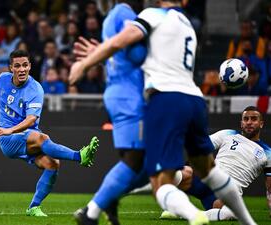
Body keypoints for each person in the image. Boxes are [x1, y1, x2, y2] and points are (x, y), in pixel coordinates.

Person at [69, 1, 257, 224]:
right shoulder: (187, 25)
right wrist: (107, 56)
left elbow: (122, 40)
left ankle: (194, 216)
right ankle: (249, 222)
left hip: (167, 99)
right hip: (195, 99)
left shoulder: (153, 15)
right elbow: (152, 57)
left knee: (160, 180)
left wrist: (85, 64)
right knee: (210, 172)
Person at [0, 49, 99, 217]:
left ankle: (33, 207)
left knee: (53, 164)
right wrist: (8, 129)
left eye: (25, 65)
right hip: (7, 138)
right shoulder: (2, 79)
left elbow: (31, 119)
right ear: (11, 68)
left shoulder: (35, 89)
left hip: (24, 134)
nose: (21, 69)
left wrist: (11, 128)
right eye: (17, 66)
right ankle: (80, 156)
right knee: (43, 138)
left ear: (30, 66)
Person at [70, 1, 147, 225]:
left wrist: (97, 55)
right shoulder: (125, 12)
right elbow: (136, 53)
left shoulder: (113, 15)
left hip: (119, 92)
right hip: (130, 97)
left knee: (137, 162)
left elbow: (119, 53)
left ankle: (107, 199)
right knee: (137, 162)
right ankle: (93, 210)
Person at [160, 106, 271, 221]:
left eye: (253, 119)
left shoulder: (268, 153)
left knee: (231, 213)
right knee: (179, 172)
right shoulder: (228, 134)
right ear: (241, 123)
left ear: (261, 123)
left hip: (225, 193)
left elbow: (270, 188)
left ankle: (190, 214)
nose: (249, 122)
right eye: (246, 119)